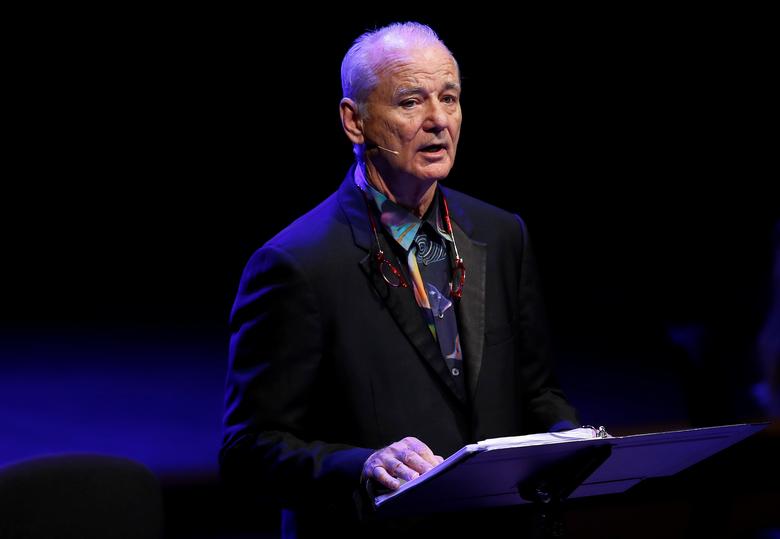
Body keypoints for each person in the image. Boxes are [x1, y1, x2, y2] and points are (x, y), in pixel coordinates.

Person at [220, 21, 579, 537]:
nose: (438, 121)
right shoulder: (297, 264)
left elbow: (538, 391)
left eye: (449, 98)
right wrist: (363, 466)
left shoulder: (502, 236)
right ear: (354, 121)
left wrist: (573, 439)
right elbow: (248, 449)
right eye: (411, 102)